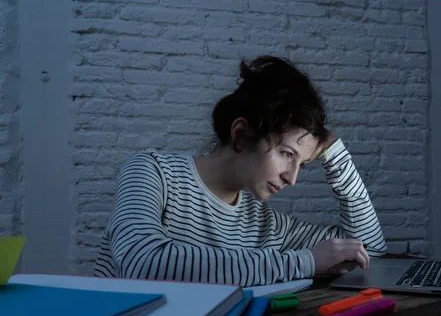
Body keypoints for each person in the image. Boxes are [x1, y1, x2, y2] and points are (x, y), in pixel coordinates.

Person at [93, 55, 387, 287]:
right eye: (286, 154)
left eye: (302, 163)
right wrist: (303, 262)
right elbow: (143, 263)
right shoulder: (150, 172)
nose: (292, 178)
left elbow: (367, 249)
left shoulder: (267, 224)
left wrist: (335, 154)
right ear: (242, 135)